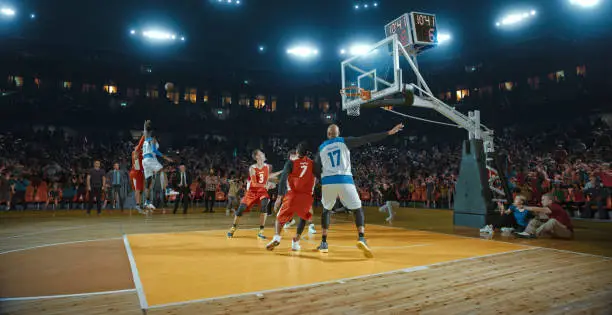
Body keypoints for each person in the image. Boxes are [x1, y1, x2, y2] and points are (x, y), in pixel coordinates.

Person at [315, 123, 404, 258]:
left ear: (328, 135)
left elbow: (315, 168)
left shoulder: (321, 148)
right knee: (357, 209)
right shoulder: (344, 141)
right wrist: (388, 133)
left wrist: (322, 179)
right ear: (338, 134)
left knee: (326, 210)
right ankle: (361, 238)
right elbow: (366, 138)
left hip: (328, 182)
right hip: (345, 180)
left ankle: (324, 243)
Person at [266, 142, 316, 251]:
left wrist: (279, 197)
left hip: (292, 195)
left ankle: (277, 237)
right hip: (306, 197)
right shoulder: (313, 163)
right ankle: (296, 241)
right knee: (304, 217)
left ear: (297, 152)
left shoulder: (291, 163)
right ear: (307, 153)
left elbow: (283, 179)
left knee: (279, 219)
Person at [226, 149, 273, 240]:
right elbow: (255, 183)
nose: (263, 154)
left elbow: (267, 178)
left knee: (264, 206)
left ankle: (261, 231)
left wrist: (272, 182)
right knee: (240, 210)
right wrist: (266, 185)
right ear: (257, 157)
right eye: (261, 153)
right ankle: (233, 228)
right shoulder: (252, 168)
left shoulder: (267, 167)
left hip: (262, 192)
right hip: (252, 192)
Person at [272, 149, 317, 234]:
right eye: (292, 157)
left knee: (307, 207)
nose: (294, 159)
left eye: (295, 156)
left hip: (302, 190)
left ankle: (311, 225)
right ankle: (290, 221)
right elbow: (279, 179)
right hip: (288, 190)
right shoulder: (289, 165)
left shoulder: (305, 165)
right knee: (284, 208)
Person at [142, 120, 173, 211]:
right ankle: (167, 189)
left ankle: (147, 202)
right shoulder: (153, 139)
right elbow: (154, 150)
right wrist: (166, 157)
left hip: (145, 161)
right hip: (149, 159)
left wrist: (145, 125)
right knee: (162, 170)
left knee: (148, 182)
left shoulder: (146, 139)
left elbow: (145, 132)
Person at [130, 136, 145, 212]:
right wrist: (144, 135)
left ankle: (139, 204)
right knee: (137, 189)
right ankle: (137, 205)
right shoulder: (134, 152)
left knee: (140, 190)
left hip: (140, 173)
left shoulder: (142, 153)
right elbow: (140, 144)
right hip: (135, 172)